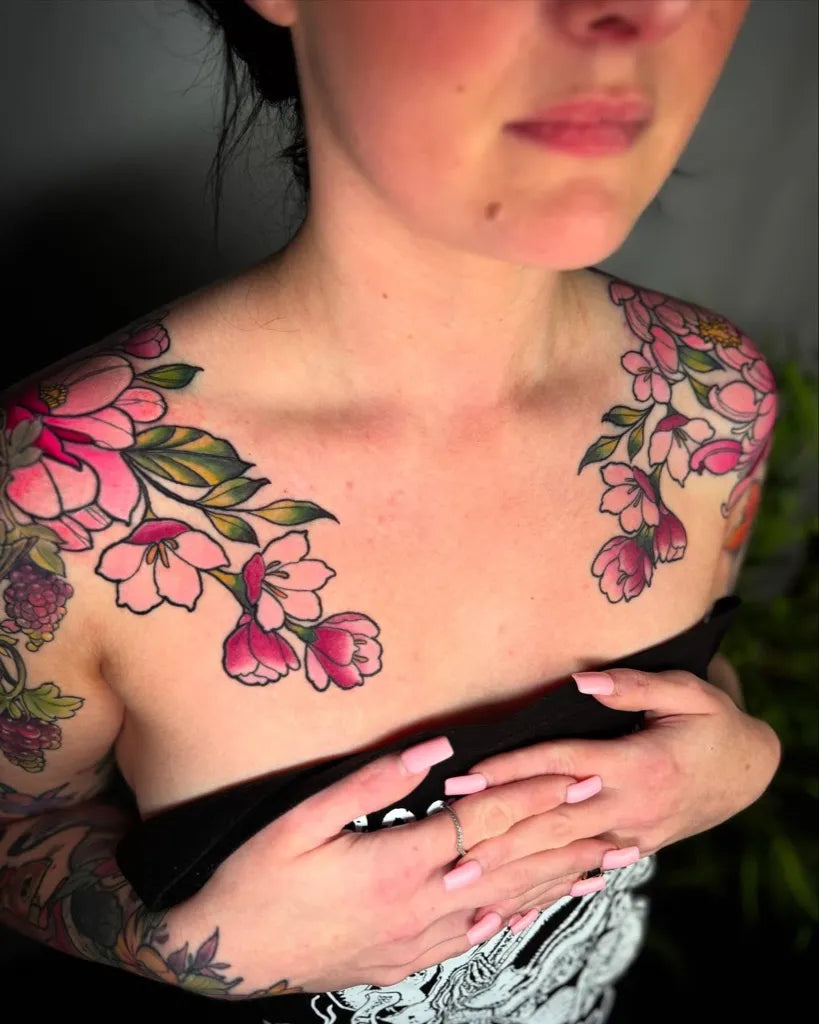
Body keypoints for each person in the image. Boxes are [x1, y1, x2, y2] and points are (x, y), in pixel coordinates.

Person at [0, 1, 781, 1021]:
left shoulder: (712, 396)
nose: (635, 9)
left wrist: (739, 758)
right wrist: (174, 946)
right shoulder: (63, 492)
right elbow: (17, 826)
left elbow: (697, 676)